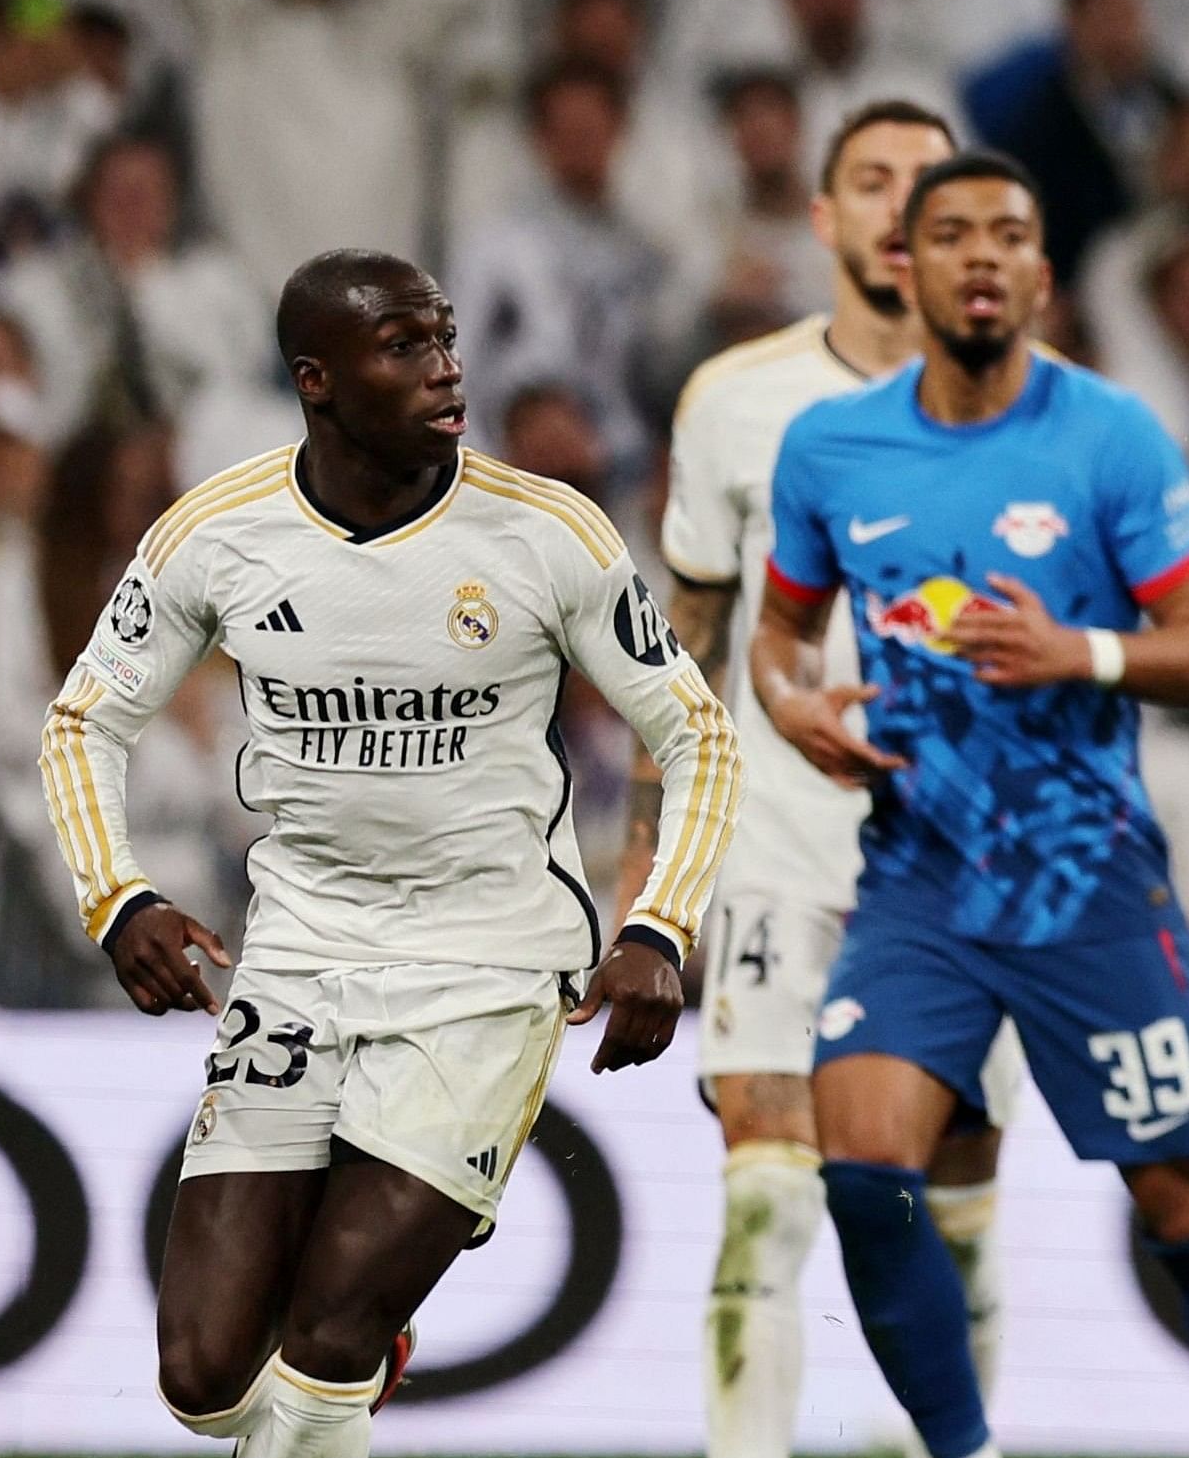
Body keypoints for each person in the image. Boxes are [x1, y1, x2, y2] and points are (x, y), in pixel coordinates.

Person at [40, 250, 742, 1458]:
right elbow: (82, 719)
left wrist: (654, 928)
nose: (446, 371)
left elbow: (700, 733)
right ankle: (367, 1364)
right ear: (316, 379)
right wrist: (120, 900)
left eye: (446, 339)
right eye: (404, 347)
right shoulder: (220, 534)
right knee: (206, 1376)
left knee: (326, 1340)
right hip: (302, 949)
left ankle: (358, 1359)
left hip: (487, 960)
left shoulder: (548, 533)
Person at [749, 153, 1189, 1456]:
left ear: (1043, 277)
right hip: (919, 879)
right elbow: (779, 633)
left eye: (1008, 234)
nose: (981, 255)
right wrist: (792, 705)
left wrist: (1082, 653)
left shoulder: (1110, 436)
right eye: (952, 235)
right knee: (865, 1170)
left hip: (1089, 878)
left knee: (1184, 1197)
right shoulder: (830, 449)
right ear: (906, 267)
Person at [639, 102, 1020, 1458]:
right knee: (770, 1190)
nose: (895, 202)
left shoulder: (1039, 401)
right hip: (776, 841)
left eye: (924, 181)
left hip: (974, 854)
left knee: (950, 1198)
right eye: (869, 180)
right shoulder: (733, 400)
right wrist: (655, 867)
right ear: (827, 219)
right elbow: (681, 640)